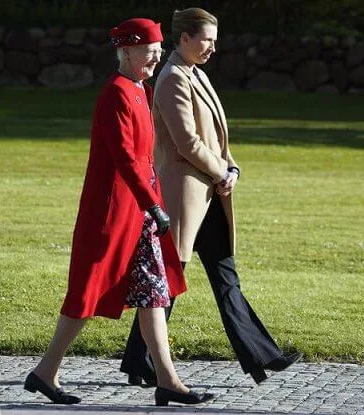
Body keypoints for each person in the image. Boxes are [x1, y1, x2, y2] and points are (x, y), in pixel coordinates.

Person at [23, 18, 214, 407]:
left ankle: (167, 380)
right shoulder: (116, 93)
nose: (156, 58)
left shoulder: (140, 90)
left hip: (139, 212)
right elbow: (126, 160)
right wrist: (154, 206)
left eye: (159, 52)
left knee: (154, 294)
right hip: (112, 212)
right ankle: (45, 372)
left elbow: (144, 160)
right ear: (126, 51)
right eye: (150, 51)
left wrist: (152, 205)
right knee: (87, 293)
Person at [120, 8, 302, 386]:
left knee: (224, 277)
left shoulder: (195, 73)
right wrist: (222, 172)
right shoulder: (172, 78)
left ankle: (261, 355)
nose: (212, 48)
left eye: (215, 41)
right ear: (184, 39)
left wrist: (230, 168)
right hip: (186, 195)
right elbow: (187, 142)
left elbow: (216, 136)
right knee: (169, 280)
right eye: (206, 40)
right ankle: (140, 359)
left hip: (209, 194)